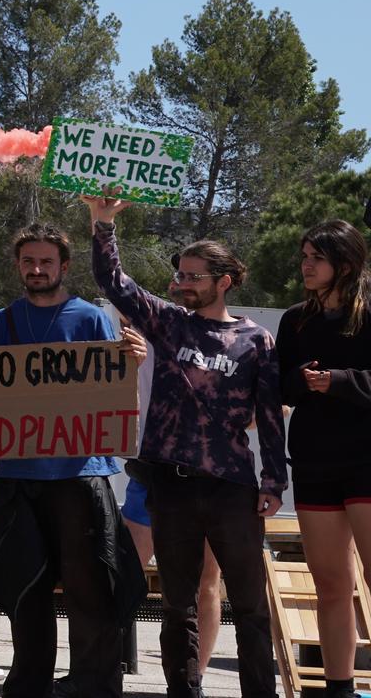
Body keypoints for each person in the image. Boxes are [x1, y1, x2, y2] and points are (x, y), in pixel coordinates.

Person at [86, 196, 285, 698]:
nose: (182, 283)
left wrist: (274, 482)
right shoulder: (168, 321)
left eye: (195, 276)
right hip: (170, 485)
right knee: (177, 605)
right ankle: (184, 690)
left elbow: (269, 416)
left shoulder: (255, 340)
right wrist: (104, 224)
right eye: (180, 275)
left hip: (232, 487)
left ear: (225, 280)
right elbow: (115, 283)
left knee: (250, 605)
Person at [0, 223, 129, 698]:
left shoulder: (91, 318)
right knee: (26, 590)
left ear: (64, 267)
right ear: (18, 266)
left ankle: (94, 685)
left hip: (80, 475)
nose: (36, 269)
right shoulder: (0, 322)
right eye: (28, 261)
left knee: (88, 588)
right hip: (19, 477)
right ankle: (29, 685)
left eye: (46, 262)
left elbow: (111, 387)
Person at [276, 219, 371, 698]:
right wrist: (300, 381)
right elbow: (279, 387)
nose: (306, 265)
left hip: (366, 464)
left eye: (316, 257)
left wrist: (338, 380)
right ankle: (339, 689)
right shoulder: (296, 320)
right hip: (314, 465)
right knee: (330, 586)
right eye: (304, 255)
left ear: (346, 265)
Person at [118, 481, 223, 678]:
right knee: (122, 576)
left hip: (211, 474)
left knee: (206, 581)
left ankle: (194, 679)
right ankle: (100, 672)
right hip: (154, 471)